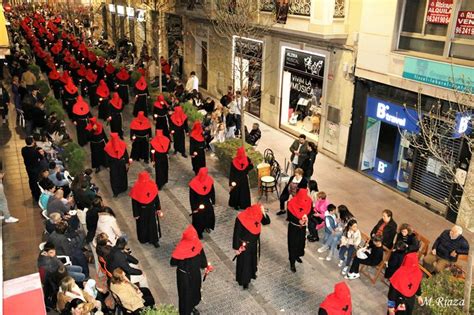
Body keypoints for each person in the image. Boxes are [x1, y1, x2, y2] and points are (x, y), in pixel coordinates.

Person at [170, 225, 211, 315]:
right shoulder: (181, 247)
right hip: (184, 276)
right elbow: (173, 262)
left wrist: (205, 266)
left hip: (193, 274)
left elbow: (202, 258)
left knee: (194, 291)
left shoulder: (196, 243)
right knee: (185, 295)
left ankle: (192, 307)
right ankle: (185, 312)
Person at [232, 203, 270, 289]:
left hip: (254, 244)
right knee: (245, 263)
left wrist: (263, 212)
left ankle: (252, 274)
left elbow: (267, 222)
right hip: (244, 245)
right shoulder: (241, 218)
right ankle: (244, 281)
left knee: (253, 260)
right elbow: (236, 234)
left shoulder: (258, 214)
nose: (258, 216)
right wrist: (236, 247)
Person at [129, 171, 161, 248]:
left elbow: (156, 198)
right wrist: (136, 214)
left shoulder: (152, 185)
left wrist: (158, 208)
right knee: (143, 226)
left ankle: (154, 240)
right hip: (142, 211)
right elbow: (134, 202)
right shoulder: (136, 187)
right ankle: (144, 239)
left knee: (152, 226)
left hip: (150, 209)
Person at [287, 188, 312, 272]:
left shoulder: (308, 201)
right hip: (294, 227)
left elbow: (310, 211)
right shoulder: (291, 203)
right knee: (293, 244)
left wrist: (306, 217)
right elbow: (289, 216)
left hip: (303, 227)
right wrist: (298, 220)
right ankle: (292, 262)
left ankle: (297, 255)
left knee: (301, 242)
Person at [189, 167, 215, 239]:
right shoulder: (194, 183)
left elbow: (212, 191)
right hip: (197, 203)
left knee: (209, 215)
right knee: (199, 219)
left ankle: (207, 226)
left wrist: (213, 201)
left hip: (206, 202)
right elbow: (191, 197)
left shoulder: (209, 180)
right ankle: (199, 232)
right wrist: (193, 208)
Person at [104, 132, 130, 197]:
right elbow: (106, 157)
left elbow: (125, 154)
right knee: (115, 177)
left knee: (120, 176)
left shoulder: (120, 144)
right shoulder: (108, 146)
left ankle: (122, 188)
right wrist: (107, 166)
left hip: (118, 164)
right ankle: (116, 191)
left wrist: (127, 163)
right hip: (115, 164)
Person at [21, 136, 42, 201]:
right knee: (36, 182)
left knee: (31, 180)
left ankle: (33, 192)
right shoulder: (35, 151)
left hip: (28, 168)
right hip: (35, 169)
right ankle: (37, 196)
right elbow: (41, 157)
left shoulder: (23, 149)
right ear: (32, 142)